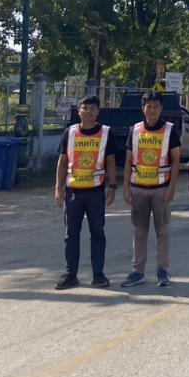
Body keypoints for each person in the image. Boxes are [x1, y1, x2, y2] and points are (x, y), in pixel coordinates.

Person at [54, 95, 116, 290]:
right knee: (71, 234)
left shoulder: (106, 133)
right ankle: (71, 274)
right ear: (79, 111)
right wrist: (58, 189)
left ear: (98, 112)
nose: (88, 112)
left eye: (92, 108)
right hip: (73, 192)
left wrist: (112, 186)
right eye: (85, 108)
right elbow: (62, 162)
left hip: (96, 192)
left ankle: (98, 274)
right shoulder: (70, 133)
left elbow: (111, 161)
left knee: (97, 232)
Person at [121, 92, 181, 288]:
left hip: (161, 189)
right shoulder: (135, 130)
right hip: (138, 189)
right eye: (149, 106)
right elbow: (128, 160)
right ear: (143, 108)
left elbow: (176, 160)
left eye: (156, 106)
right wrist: (126, 187)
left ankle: (162, 270)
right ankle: (137, 271)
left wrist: (172, 187)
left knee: (162, 231)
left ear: (161, 108)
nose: (152, 110)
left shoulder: (170, 130)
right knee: (139, 232)